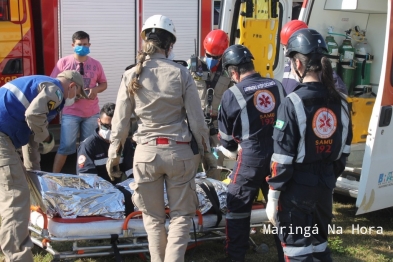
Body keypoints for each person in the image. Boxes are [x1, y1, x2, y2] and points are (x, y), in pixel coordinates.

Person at [107, 15, 210, 262]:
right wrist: (207, 155)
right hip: (179, 153)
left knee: (153, 219)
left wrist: (114, 153)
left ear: (145, 41)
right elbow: (197, 121)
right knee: (181, 217)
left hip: (145, 155)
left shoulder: (131, 74)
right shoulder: (182, 73)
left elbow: (120, 121)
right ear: (170, 45)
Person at [266, 28, 353, 261]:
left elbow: (282, 158)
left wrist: (273, 195)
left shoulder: (292, 102)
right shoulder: (341, 102)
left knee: (297, 252)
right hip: (324, 188)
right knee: (319, 246)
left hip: (297, 190)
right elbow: (344, 152)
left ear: (297, 63)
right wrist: (326, 177)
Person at [0, 70, 87, 262]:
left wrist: (34, 172)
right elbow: (33, 116)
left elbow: (30, 135)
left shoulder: (37, 84)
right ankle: (17, 257)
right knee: (15, 195)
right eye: (78, 94)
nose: (77, 98)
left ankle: (15, 248)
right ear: (72, 86)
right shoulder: (55, 90)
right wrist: (47, 137)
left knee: (13, 191)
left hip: (4, 134)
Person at [217, 44, 286, 262]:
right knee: (281, 210)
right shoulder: (278, 86)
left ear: (233, 72)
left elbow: (226, 140)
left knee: (237, 206)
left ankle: (235, 257)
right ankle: (289, 255)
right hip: (279, 157)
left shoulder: (231, 94)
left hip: (250, 158)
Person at [51, 30, 108, 173]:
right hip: (70, 113)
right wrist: (69, 94)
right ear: (72, 45)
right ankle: (51, 177)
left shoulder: (96, 64)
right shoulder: (63, 63)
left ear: (89, 44)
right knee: (65, 147)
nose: (82, 46)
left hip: (91, 114)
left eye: (85, 44)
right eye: (79, 44)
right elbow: (54, 84)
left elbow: (104, 84)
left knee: (87, 148)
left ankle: (84, 179)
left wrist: (95, 90)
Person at [188, 29, 231, 180]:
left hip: (215, 127)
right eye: (209, 55)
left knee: (215, 167)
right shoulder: (192, 67)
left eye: (216, 57)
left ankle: (213, 195)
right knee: (189, 167)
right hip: (193, 125)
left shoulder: (228, 72)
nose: (212, 59)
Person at [280, 20, 348, 95]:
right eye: (284, 47)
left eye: (287, 46)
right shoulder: (287, 67)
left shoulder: (326, 74)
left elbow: (340, 99)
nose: (286, 50)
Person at [77, 102, 135, 184]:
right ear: (99, 122)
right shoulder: (88, 146)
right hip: (99, 192)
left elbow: (132, 171)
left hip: (120, 189)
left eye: (113, 127)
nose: (109, 130)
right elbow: (86, 179)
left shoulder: (125, 142)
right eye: (105, 126)